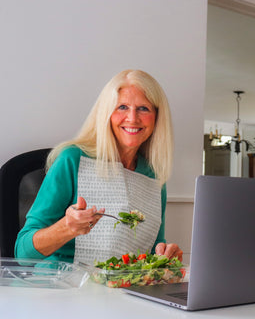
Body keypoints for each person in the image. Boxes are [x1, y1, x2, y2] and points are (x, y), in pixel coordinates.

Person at [15, 69, 183, 265]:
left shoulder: (154, 178)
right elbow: (23, 253)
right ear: (107, 113)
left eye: (143, 108)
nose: (132, 118)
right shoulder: (73, 159)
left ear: (157, 117)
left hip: (121, 290)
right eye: (122, 107)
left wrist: (165, 256)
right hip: (65, 287)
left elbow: (153, 249)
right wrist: (67, 228)